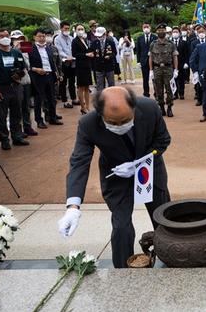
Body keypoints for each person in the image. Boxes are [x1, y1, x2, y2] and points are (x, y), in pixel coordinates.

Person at [58, 86, 172, 268]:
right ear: (100, 113)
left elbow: (163, 141)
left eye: (126, 121)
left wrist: (138, 164)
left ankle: (172, 261)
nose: (119, 126)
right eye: (112, 123)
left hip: (149, 170)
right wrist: (73, 206)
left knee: (163, 220)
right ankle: (122, 271)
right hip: (115, 173)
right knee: (121, 226)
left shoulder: (150, 108)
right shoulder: (88, 124)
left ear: (134, 108)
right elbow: (79, 162)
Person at [0, 29, 29, 150]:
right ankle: (4, 139)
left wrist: (19, 75)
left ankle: (17, 136)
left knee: (17, 113)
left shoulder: (16, 52)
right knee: (1, 115)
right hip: (1, 87)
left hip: (16, 86)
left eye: (6, 35)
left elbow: (23, 68)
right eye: (1, 36)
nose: (4, 37)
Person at [28, 28, 63, 129]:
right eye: (39, 36)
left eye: (43, 36)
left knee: (51, 97)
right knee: (39, 99)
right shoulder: (30, 48)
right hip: (38, 76)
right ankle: (39, 120)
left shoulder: (48, 47)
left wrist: (56, 75)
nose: (42, 38)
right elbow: (27, 64)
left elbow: (53, 62)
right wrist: (36, 69)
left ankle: (52, 117)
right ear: (34, 37)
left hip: (50, 75)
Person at [10, 30, 38, 137]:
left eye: (21, 39)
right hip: (16, 82)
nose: (19, 41)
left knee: (26, 105)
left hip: (26, 80)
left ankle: (27, 126)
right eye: (16, 39)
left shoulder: (27, 50)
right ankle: (18, 130)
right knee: (17, 107)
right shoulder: (10, 51)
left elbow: (28, 65)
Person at [149, 23, 178, 117]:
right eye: (159, 30)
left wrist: (176, 69)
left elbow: (175, 57)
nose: (161, 32)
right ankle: (161, 108)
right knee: (158, 89)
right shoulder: (153, 44)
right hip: (157, 69)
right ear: (156, 32)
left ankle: (169, 107)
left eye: (163, 30)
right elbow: (150, 57)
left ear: (166, 31)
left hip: (168, 68)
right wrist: (151, 70)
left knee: (169, 89)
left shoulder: (171, 43)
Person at [54, 21, 78, 109]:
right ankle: (65, 101)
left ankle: (74, 98)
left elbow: (73, 49)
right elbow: (59, 51)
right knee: (63, 82)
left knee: (72, 82)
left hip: (72, 62)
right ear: (61, 28)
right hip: (63, 63)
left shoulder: (71, 38)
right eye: (65, 28)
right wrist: (67, 56)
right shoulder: (57, 39)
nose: (67, 30)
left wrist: (72, 56)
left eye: (68, 28)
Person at [71, 24, 93, 114]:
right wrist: (86, 55)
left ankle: (88, 106)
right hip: (80, 66)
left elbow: (87, 50)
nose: (80, 30)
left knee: (87, 87)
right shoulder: (74, 41)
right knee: (81, 87)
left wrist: (91, 53)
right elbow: (74, 54)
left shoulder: (85, 40)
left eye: (82, 29)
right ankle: (83, 107)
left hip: (87, 66)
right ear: (75, 30)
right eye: (79, 29)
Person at [91, 27, 117, 93]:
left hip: (109, 66)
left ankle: (112, 99)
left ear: (105, 34)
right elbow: (91, 52)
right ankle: (101, 100)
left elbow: (115, 52)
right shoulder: (94, 42)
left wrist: (110, 56)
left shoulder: (110, 42)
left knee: (111, 85)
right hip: (98, 67)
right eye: (97, 36)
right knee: (100, 86)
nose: (99, 37)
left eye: (100, 36)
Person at [135, 23, 157, 97]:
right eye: (144, 27)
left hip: (154, 61)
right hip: (143, 61)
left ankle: (156, 93)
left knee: (155, 78)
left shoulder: (155, 37)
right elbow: (138, 51)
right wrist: (138, 61)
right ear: (142, 28)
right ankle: (146, 93)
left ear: (150, 28)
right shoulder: (139, 38)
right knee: (145, 78)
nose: (146, 28)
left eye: (147, 27)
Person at [173, 26, 190, 100]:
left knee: (181, 79)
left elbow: (187, 53)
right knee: (173, 80)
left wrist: (186, 62)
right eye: (174, 32)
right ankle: (175, 93)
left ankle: (181, 93)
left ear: (179, 33)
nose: (175, 33)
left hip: (182, 64)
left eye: (176, 32)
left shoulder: (184, 42)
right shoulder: (169, 42)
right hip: (172, 64)